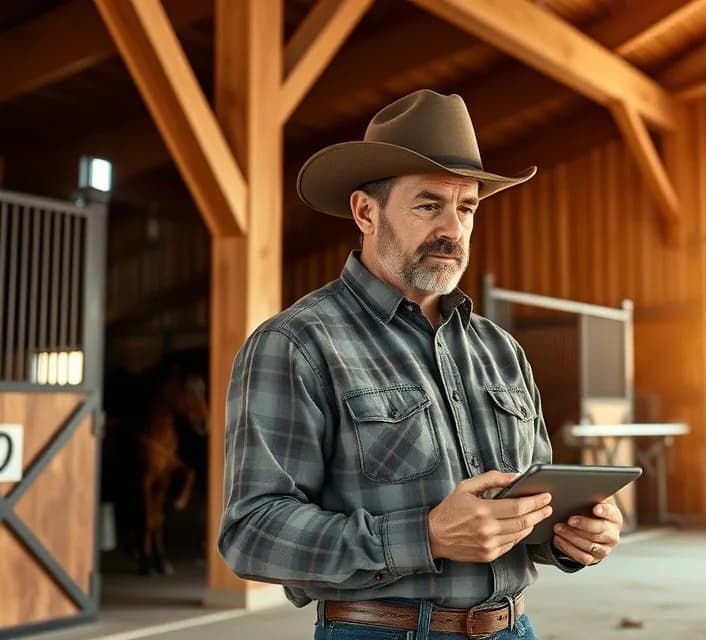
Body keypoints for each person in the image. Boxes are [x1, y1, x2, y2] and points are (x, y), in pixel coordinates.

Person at [218, 89, 624, 640]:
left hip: (512, 628)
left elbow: (532, 505)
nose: (453, 230)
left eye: (467, 207)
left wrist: (570, 535)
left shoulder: (500, 349)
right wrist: (425, 536)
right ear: (366, 211)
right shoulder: (297, 344)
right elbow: (252, 534)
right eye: (429, 205)